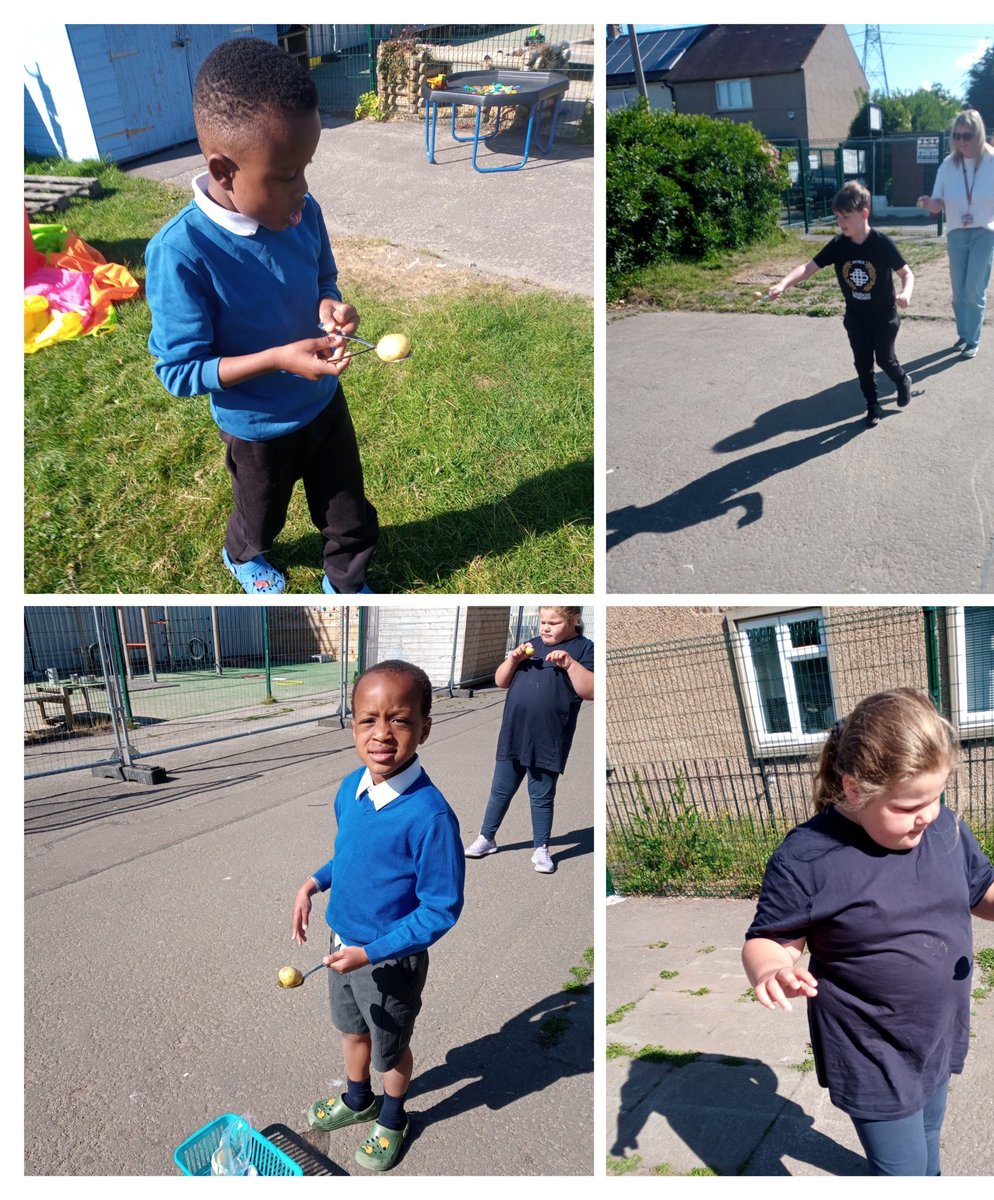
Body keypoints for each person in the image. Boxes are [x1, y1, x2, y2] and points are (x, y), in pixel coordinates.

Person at [741, 688, 994, 1176]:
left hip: (934, 1035)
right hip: (869, 1047)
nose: (927, 815)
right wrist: (771, 968)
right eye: (908, 806)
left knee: (928, 1139)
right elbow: (770, 938)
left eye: (936, 797)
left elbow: (983, 890)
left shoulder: (946, 830)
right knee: (900, 1171)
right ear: (855, 790)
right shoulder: (809, 856)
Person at [146, 37, 378, 595]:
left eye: (305, 169)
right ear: (223, 170)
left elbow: (323, 277)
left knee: (348, 511)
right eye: (284, 176)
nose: (302, 191)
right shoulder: (182, 253)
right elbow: (179, 372)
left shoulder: (304, 213)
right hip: (256, 430)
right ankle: (241, 553)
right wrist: (278, 359)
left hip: (323, 403)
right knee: (260, 515)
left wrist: (330, 303)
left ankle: (345, 584)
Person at [292, 660, 465, 1171]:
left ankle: (392, 1115)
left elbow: (441, 908)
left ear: (424, 728)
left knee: (391, 1049)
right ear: (353, 726)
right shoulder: (351, 788)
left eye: (400, 720)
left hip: (389, 960)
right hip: (340, 943)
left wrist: (371, 951)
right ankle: (356, 1098)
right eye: (369, 720)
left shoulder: (430, 816)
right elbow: (350, 855)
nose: (382, 734)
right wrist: (313, 882)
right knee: (352, 1032)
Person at [768, 181, 914, 428]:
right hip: (856, 318)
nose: (841, 222)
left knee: (885, 360)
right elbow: (808, 267)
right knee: (863, 364)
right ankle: (872, 405)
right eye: (838, 216)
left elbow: (906, 273)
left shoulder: (881, 243)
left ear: (864, 214)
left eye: (846, 216)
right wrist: (783, 284)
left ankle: (902, 381)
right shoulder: (838, 245)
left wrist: (906, 294)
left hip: (884, 317)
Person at [464, 606, 595, 874]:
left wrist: (570, 664)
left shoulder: (583, 648)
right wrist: (512, 659)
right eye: (542, 621)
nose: (545, 627)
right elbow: (501, 681)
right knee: (500, 790)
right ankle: (486, 838)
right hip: (514, 732)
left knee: (541, 794)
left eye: (553, 622)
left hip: (549, 736)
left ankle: (541, 848)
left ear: (574, 620)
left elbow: (590, 690)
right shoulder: (530, 646)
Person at [918, 109, 994, 359]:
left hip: (985, 232)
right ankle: (963, 334)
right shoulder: (948, 165)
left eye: (967, 135)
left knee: (974, 288)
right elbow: (939, 203)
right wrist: (930, 204)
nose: (962, 141)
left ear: (978, 135)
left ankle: (973, 339)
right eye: (957, 135)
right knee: (959, 290)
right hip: (957, 233)